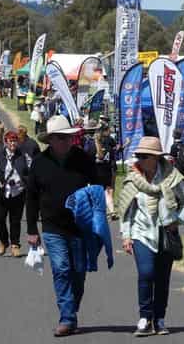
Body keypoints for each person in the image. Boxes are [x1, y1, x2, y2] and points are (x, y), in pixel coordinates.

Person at [26, 115, 111, 337]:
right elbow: (31, 197)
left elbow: (99, 186)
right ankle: (66, 317)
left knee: (78, 273)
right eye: (59, 138)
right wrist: (32, 230)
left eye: (67, 137)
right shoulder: (39, 162)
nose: (64, 141)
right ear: (50, 140)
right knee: (61, 269)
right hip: (52, 227)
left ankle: (70, 311)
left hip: (80, 228)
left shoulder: (83, 159)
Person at [119, 136, 184, 336]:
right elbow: (127, 210)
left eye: (144, 156)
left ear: (155, 158)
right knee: (146, 273)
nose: (140, 160)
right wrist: (126, 236)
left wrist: (178, 220)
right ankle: (145, 317)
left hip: (165, 232)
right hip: (141, 232)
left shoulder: (172, 176)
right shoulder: (133, 178)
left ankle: (159, 318)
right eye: (138, 156)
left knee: (162, 278)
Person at [0, 131, 31, 257]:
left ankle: (15, 244)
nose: (13, 143)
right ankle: (3, 242)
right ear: (6, 142)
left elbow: (30, 169)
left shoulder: (23, 155)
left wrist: (22, 181)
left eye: (15, 141)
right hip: (0, 192)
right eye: (10, 141)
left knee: (15, 220)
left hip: (17, 192)